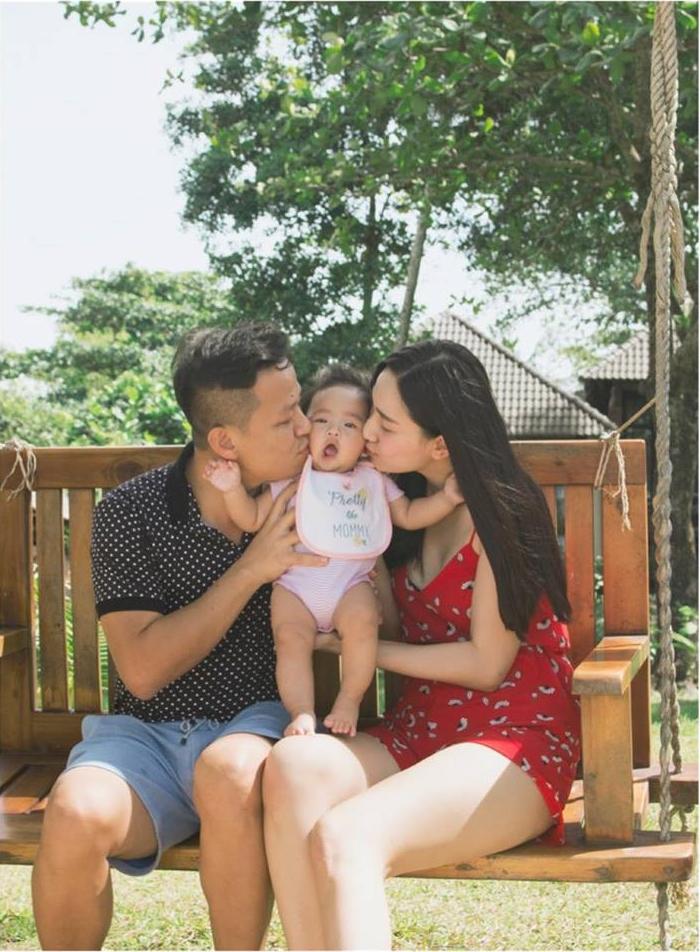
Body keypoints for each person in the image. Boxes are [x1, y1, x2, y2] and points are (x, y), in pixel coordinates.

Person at [262, 339, 582, 950]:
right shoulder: (390, 503)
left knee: (346, 837)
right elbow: (381, 614)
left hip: (511, 738)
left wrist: (351, 650)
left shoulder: (501, 513)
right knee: (293, 766)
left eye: (384, 423)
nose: (366, 432)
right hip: (420, 730)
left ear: (439, 444)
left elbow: (486, 665)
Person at [31, 323, 328, 951]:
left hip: (254, 730)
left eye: (301, 407)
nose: (307, 427)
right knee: (75, 810)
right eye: (286, 419)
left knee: (228, 771)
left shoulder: (316, 502)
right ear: (225, 440)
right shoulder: (131, 513)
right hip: (145, 739)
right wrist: (250, 571)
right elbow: (141, 671)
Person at [204, 365, 464, 738]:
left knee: (363, 624)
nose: (333, 431)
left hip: (350, 586)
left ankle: (348, 701)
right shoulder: (295, 481)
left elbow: (408, 514)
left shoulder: (373, 481)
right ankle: (302, 712)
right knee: (290, 641)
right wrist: (232, 490)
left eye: (349, 425)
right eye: (322, 420)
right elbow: (252, 518)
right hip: (295, 590)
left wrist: (447, 499)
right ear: (305, 429)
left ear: (366, 440)